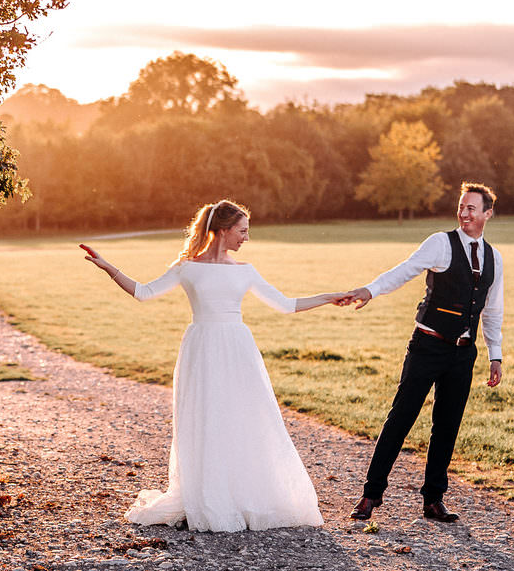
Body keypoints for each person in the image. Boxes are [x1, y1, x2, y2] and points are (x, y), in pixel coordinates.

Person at [81, 199, 345, 532]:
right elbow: (144, 292)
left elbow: (286, 304)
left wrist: (330, 296)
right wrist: (109, 267)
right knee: (206, 417)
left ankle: (243, 493)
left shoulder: (245, 270)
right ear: (223, 230)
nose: (246, 238)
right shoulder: (188, 267)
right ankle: (210, 496)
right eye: (242, 230)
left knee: (243, 416)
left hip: (238, 349)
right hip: (202, 349)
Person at [337, 183, 505, 524]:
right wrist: (371, 290)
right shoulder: (440, 243)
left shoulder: (495, 258)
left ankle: (433, 500)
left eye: (472, 208)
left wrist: (495, 354)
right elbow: (405, 270)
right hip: (427, 345)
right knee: (400, 419)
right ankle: (370, 495)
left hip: (462, 354)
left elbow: (492, 308)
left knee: (447, 426)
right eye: (462, 206)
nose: (464, 213)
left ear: (488, 213)